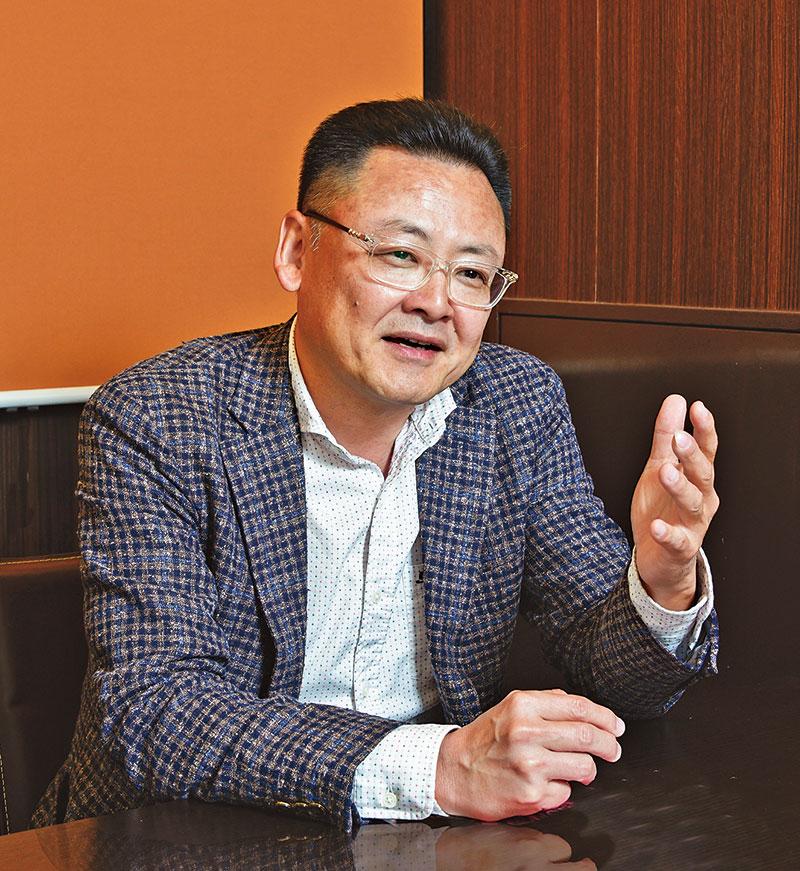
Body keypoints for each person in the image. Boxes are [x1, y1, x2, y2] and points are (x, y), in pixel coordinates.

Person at [33, 99, 719, 832]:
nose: (436, 303)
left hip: (426, 836)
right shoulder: (159, 415)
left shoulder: (515, 403)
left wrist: (661, 581)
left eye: (472, 273)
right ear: (297, 251)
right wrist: (440, 766)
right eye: (399, 255)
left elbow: (619, 675)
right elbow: (155, 712)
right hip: (186, 835)